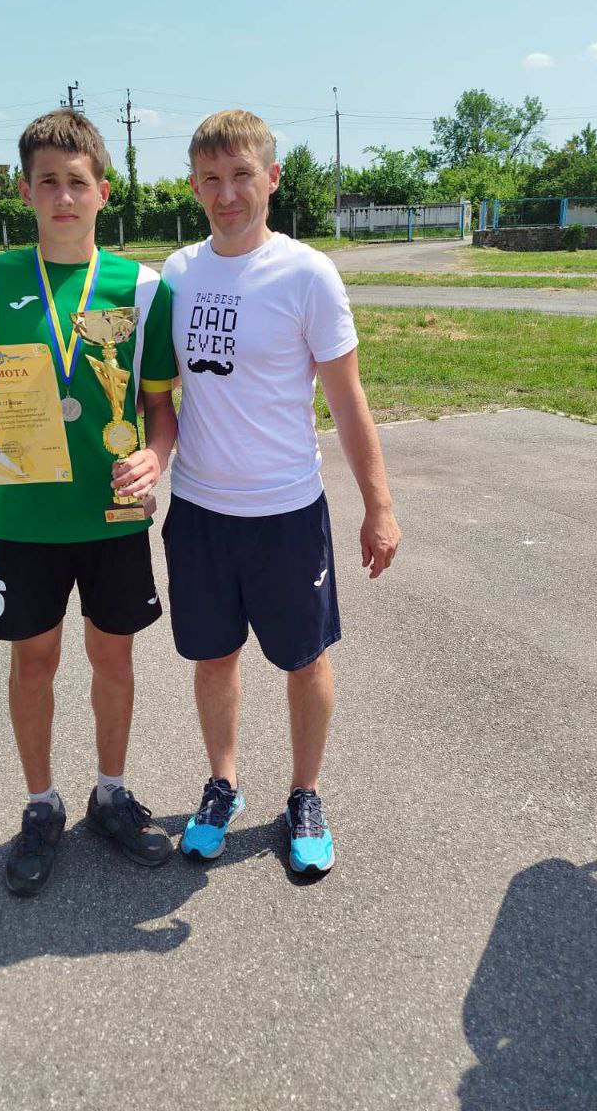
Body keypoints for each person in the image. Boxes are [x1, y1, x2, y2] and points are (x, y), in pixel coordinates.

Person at [0, 110, 178, 895]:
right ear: (26, 192)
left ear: (103, 192)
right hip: (26, 515)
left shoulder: (143, 288)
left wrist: (155, 456)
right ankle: (41, 804)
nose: (64, 197)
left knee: (114, 656)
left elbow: (159, 406)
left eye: (78, 183)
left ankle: (111, 793)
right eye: (48, 183)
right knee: (33, 659)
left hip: (113, 512)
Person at [162, 109, 401, 875]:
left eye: (241, 175)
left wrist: (379, 505)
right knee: (213, 658)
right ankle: (223, 784)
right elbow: (153, 392)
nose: (227, 193)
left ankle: (305, 793)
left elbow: (348, 401)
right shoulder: (176, 275)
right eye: (211, 178)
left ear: (271, 177)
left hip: (287, 513)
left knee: (304, 659)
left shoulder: (307, 274)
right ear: (194, 185)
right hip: (200, 512)